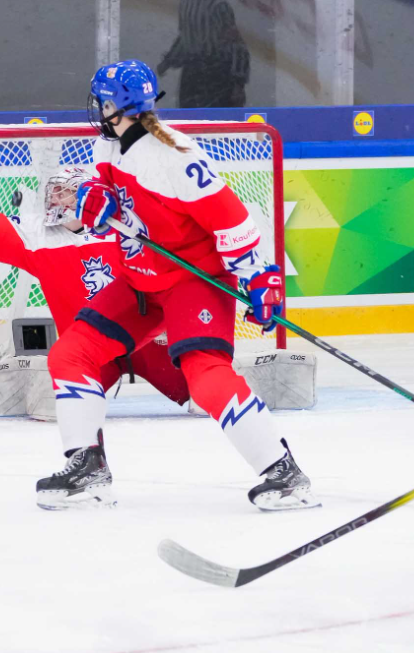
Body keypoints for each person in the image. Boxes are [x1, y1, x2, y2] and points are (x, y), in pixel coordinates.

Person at [40, 58, 319, 512]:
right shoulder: (107, 148)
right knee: (70, 355)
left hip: (194, 280)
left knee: (206, 378)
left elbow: (232, 219)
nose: (95, 110)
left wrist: (258, 277)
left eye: (101, 102)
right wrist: (99, 205)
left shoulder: (176, 157)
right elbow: (117, 201)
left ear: (115, 107)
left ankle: (282, 470)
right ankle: (87, 467)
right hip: (139, 279)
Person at [0, 169, 191, 415]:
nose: (55, 199)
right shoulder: (37, 234)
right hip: (90, 349)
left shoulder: (128, 228)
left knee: (205, 391)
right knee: (51, 408)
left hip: (151, 340)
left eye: (65, 191)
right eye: (54, 192)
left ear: (89, 196)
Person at [157, 0, 250, 108]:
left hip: (217, 73)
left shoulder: (219, 6)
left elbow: (234, 42)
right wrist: (169, 60)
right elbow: (186, 37)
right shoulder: (186, 4)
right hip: (194, 74)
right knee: (190, 119)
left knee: (215, 119)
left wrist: (238, 83)